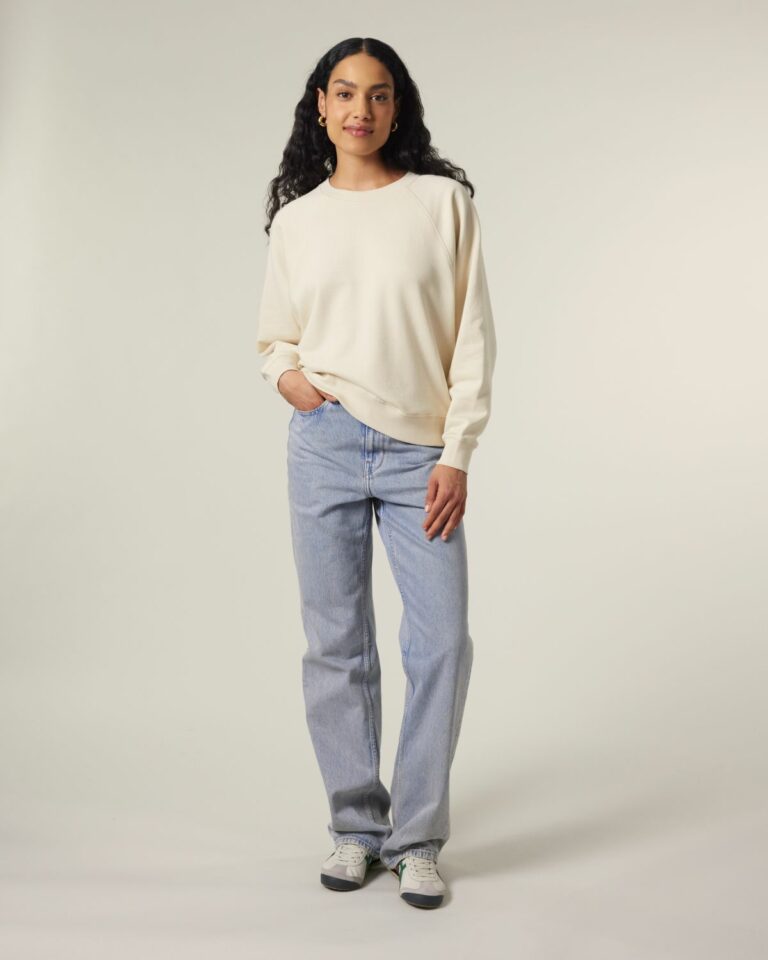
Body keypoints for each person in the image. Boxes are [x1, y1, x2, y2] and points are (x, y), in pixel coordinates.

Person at [256, 37, 497, 910]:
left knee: (441, 642)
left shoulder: (442, 204)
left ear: (399, 109)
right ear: (320, 105)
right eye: (346, 92)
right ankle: (356, 829)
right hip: (323, 442)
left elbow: (472, 335)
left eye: (380, 94)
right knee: (337, 642)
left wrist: (458, 450)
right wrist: (290, 379)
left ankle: (417, 838)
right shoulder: (298, 219)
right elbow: (275, 334)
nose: (361, 109)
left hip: (419, 453)